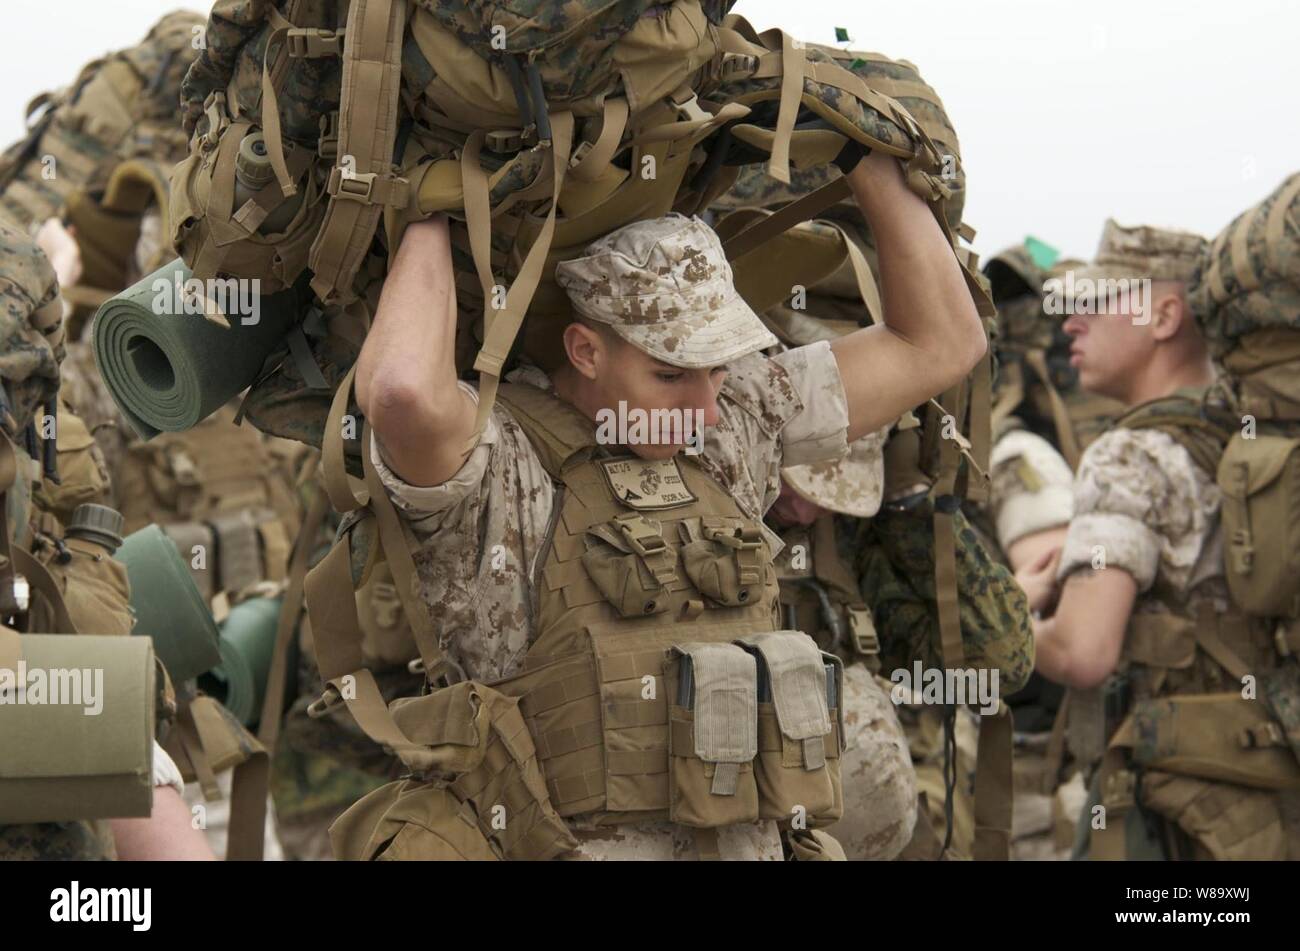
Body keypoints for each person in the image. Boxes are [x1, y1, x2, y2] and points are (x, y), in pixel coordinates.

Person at [350, 146, 985, 859]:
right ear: (585, 350)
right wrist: (435, 206)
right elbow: (401, 392)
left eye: (717, 368)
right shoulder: (502, 461)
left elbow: (941, 342)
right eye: (670, 373)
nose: (706, 405)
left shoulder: (730, 424)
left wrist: (859, 157)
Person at [1016, 220, 1298, 860]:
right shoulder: (1260, 440)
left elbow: (1083, 652)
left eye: (1099, 300)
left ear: (1165, 315)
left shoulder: (1130, 453)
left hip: (1179, 818)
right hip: (1272, 797)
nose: (1070, 322)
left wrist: (1005, 614)